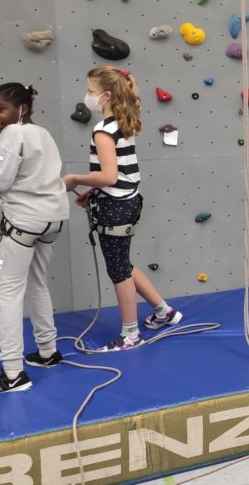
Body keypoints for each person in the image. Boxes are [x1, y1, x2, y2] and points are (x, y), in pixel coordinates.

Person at [0, 83, 69, 394]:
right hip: (53, 220)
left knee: (7, 294)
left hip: (26, 224)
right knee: (37, 283)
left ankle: (14, 374)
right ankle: (48, 352)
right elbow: (25, 183)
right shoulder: (42, 133)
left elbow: (1, 181)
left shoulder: (12, 133)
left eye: (0, 108)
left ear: (22, 109)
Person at [63, 66, 182, 352]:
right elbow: (121, 173)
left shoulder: (103, 131)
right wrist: (93, 191)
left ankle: (130, 334)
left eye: (90, 91)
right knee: (123, 263)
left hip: (115, 207)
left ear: (105, 96)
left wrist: (75, 179)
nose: (87, 96)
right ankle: (164, 311)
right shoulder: (122, 123)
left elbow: (108, 175)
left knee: (118, 270)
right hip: (127, 200)